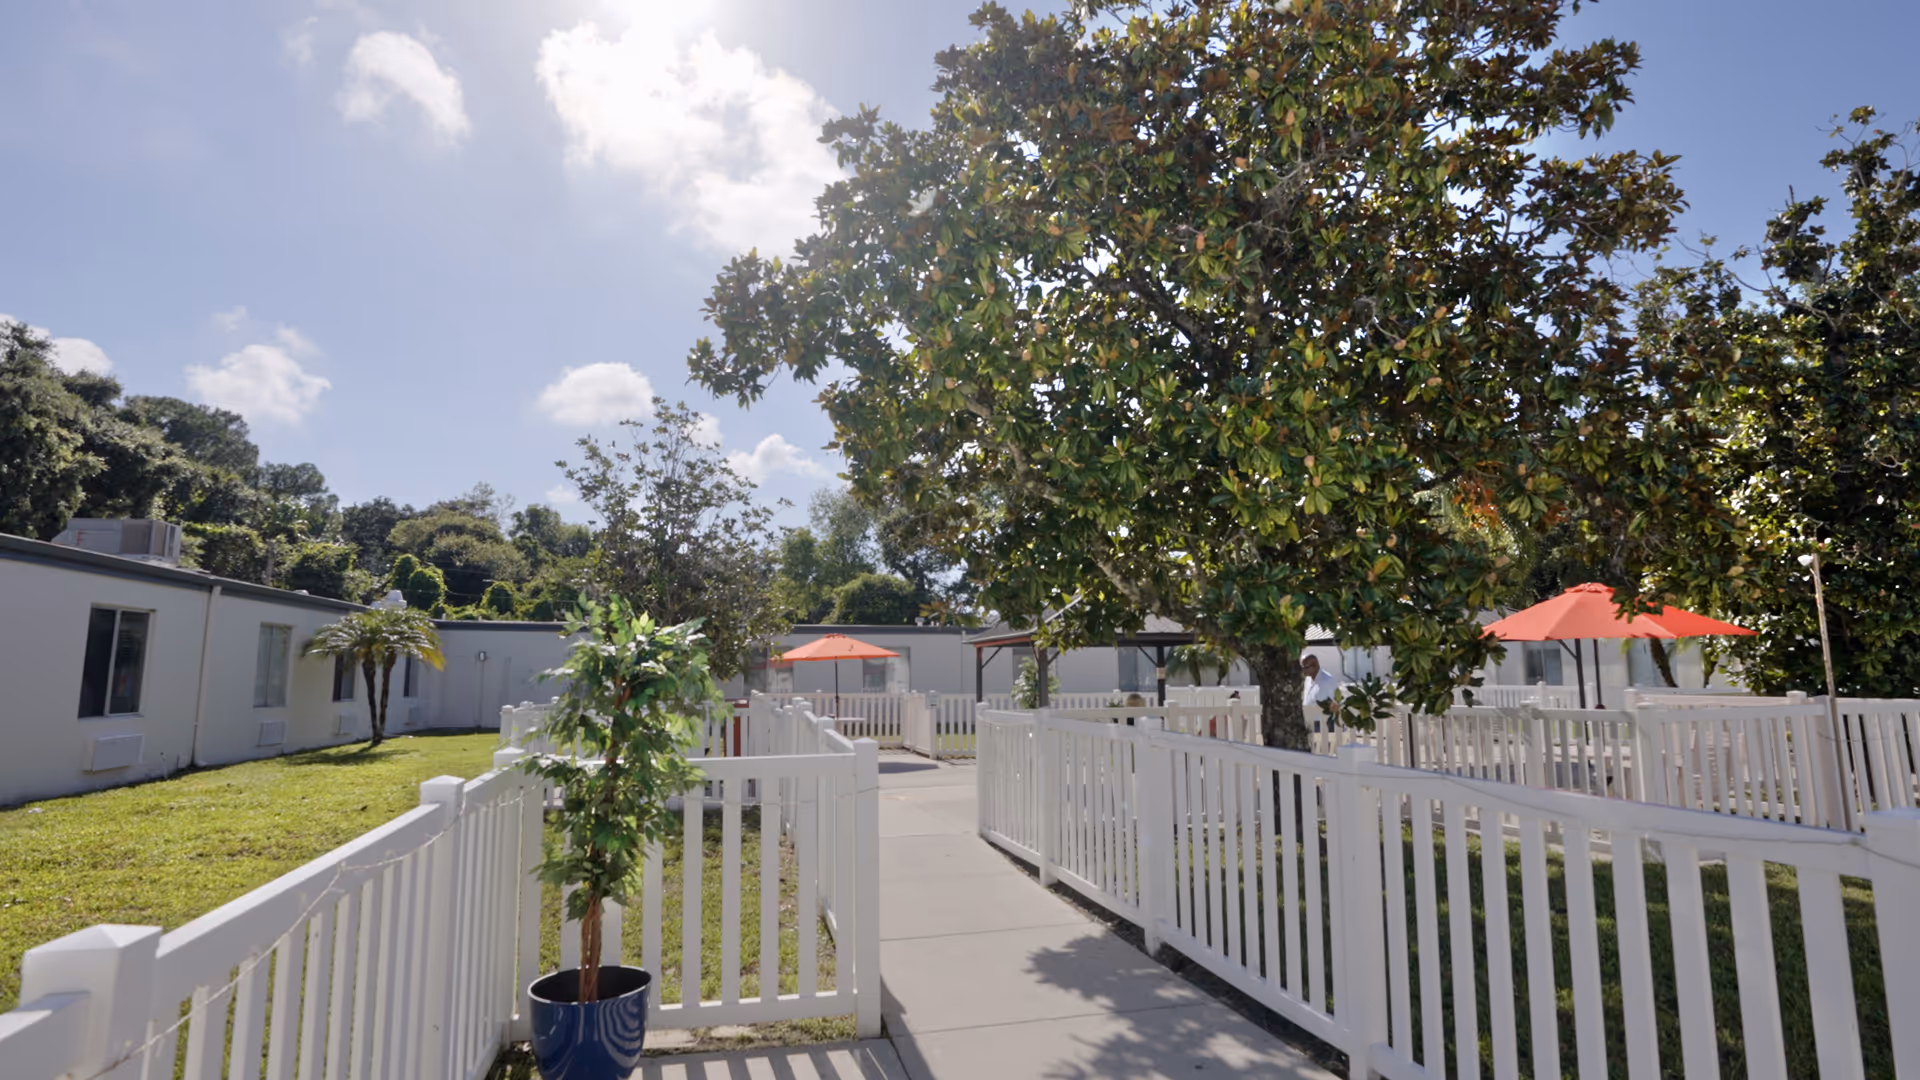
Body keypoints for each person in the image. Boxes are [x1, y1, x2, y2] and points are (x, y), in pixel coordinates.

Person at [1301, 654, 1340, 731]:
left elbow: (1336, 702)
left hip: (1324, 724)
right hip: (1309, 722)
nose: (1302, 670)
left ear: (1314, 666)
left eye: (1305, 668)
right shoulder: (1308, 680)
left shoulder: (1328, 680)